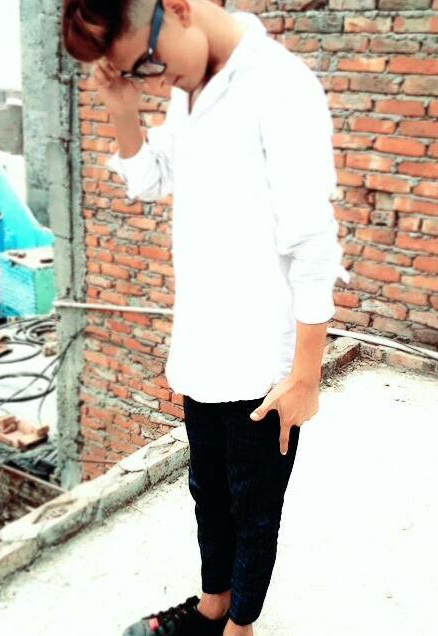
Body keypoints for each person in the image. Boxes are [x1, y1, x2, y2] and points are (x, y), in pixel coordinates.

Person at [62, 1, 351, 635]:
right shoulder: (187, 89)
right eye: (139, 72)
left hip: (262, 367)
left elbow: (313, 243)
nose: (155, 79)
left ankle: (240, 629)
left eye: (148, 62)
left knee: (254, 510)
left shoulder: (280, 85)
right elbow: (149, 180)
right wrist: (123, 107)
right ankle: (212, 607)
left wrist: (306, 376)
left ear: (177, 8)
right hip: (202, 350)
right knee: (208, 495)